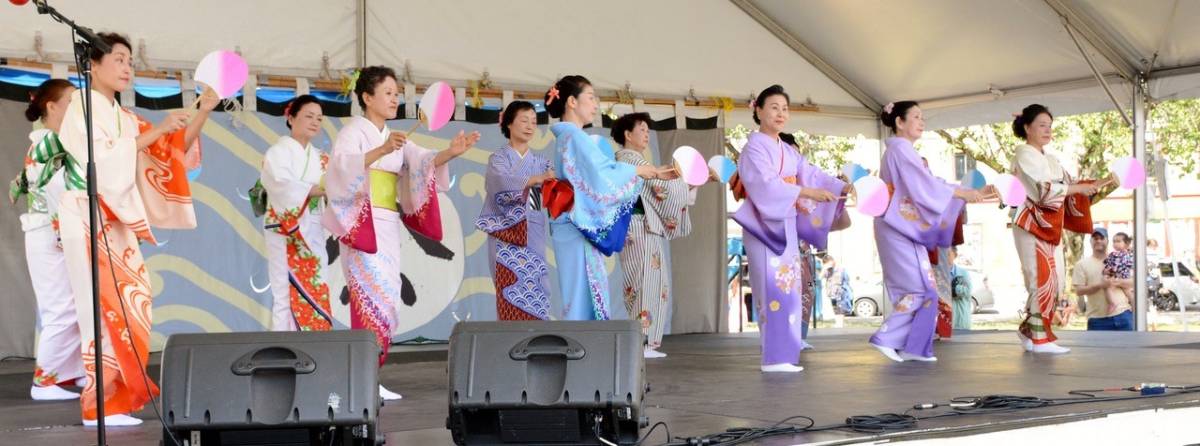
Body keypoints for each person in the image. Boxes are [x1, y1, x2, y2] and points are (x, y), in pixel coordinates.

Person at [57, 32, 214, 426]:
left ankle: (120, 398)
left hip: (116, 221)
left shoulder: (125, 117)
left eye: (130, 61)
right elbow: (102, 160)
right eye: (119, 59)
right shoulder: (81, 107)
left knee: (133, 302)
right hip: (87, 216)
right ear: (92, 65)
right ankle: (99, 404)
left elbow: (169, 154)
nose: (127, 67)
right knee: (100, 308)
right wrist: (157, 132)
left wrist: (203, 110)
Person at [322, 65, 478, 400]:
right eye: (388, 93)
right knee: (368, 298)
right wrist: (381, 151)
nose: (395, 100)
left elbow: (423, 162)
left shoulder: (393, 137)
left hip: (387, 225)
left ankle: (370, 375)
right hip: (362, 223)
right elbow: (339, 171)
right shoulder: (354, 134)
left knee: (388, 298)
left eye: (397, 94)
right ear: (367, 97)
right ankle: (362, 380)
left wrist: (452, 152)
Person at [731, 84, 849, 372]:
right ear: (758, 111)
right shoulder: (753, 148)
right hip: (764, 225)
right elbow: (766, 186)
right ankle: (774, 357)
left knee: (788, 287)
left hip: (786, 222)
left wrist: (840, 185)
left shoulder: (787, 150)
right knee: (771, 288)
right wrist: (805, 193)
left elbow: (811, 174)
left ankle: (784, 353)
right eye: (773, 107)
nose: (780, 113)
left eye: (785, 108)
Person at [868, 101, 988, 362]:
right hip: (897, 223)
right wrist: (960, 192)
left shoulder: (903, 151)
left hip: (903, 223)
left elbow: (929, 184)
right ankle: (887, 337)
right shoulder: (900, 149)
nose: (922, 122)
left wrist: (962, 192)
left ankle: (914, 346)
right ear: (899, 122)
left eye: (923, 117)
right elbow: (924, 185)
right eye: (916, 117)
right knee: (917, 288)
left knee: (924, 289)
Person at [542, 75, 668, 321]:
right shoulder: (575, 137)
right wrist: (640, 170)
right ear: (571, 102)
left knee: (578, 295)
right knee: (582, 295)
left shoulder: (569, 137)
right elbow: (601, 177)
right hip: (578, 224)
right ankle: (583, 352)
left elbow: (596, 176)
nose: (595, 104)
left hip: (572, 222)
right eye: (590, 97)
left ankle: (582, 350)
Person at [10, 78, 84, 401]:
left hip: (58, 230)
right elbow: (55, 193)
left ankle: (79, 371)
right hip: (49, 232)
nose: (76, 110)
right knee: (61, 309)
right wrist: (62, 230)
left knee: (78, 305)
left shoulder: (57, 142)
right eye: (70, 103)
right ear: (51, 107)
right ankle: (45, 382)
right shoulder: (46, 143)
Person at [1010, 104, 1099, 353]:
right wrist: (1078, 189)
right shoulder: (1024, 153)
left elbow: (1070, 185)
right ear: (1027, 128)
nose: (1048, 130)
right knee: (1040, 277)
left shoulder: (1049, 158)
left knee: (1055, 279)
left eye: (1050, 126)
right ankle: (1040, 338)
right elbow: (1043, 190)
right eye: (1042, 125)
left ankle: (1031, 330)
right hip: (1032, 222)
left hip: (1049, 224)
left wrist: (1095, 185)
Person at [613, 112, 696, 358]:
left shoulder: (632, 162)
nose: (647, 134)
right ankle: (644, 342)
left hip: (640, 227)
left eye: (648, 130)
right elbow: (661, 189)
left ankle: (644, 341)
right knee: (643, 281)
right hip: (638, 226)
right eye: (642, 129)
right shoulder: (630, 161)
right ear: (627, 135)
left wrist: (683, 182)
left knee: (644, 281)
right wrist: (687, 182)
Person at [476, 100, 555, 321]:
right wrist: (534, 180)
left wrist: (549, 182)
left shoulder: (541, 162)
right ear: (509, 123)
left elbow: (539, 202)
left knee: (537, 285)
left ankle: (537, 339)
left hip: (532, 232)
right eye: (524, 120)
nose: (530, 126)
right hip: (505, 235)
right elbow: (499, 183)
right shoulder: (498, 159)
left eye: (534, 121)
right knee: (508, 286)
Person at [260, 95, 332, 331]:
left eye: (319, 118)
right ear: (290, 118)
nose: (315, 122)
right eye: (308, 116)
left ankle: (314, 345)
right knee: (283, 291)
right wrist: (313, 190)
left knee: (318, 281)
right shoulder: (277, 152)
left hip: (313, 225)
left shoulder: (321, 158)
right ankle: (282, 348)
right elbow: (279, 184)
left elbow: (336, 184)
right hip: (285, 227)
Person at [1073, 228, 1133, 330]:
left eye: (1102, 238)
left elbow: (1133, 282)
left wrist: (1118, 282)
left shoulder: (1118, 258)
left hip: (1123, 315)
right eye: (1095, 238)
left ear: (1107, 241)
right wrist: (1100, 285)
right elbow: (1079, 291)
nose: (1098, 241)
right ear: (1090, 242)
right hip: (1097, 321)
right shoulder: (1081, 264)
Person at [1101, 232, 1135, 324]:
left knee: (1111, 287)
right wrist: (1105, 270)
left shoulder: (1126, 255)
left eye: (1118, 241)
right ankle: (1115, 303)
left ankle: (1114, 304)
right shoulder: (1113, 254)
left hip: (1120, 275)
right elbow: (1107, 264)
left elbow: (1116, 266)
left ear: (1126, 244)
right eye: (1114, 241)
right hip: (1118, 275)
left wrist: (1110, 271)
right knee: (1125, 291)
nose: (1115, 243)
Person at [949, 247, 973, 330]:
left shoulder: (963, 273)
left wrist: (954, 289)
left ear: (955, 255)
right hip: (944, 321)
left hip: (961, 320)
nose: (945, 256)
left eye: (948, 253)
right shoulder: (938, 274)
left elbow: (968, 291)